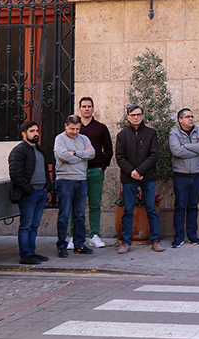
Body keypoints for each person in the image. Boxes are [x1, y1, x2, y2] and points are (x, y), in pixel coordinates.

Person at [115, 105, 162, 254]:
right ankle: (126, 242)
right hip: (129, 178)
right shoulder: (122, 135)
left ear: (143, 115)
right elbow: (120, 157)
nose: (136, 117)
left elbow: (154, 155)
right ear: (128, 116)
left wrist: (140, 171)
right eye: (133, 115)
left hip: (147, 176)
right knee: (128, 210)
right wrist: (132, 172)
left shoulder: (151, 133)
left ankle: (155, 240)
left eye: (139, 114)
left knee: (151, 209)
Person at [8, 121, 53, 265]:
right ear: (24, 133)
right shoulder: (19, 151)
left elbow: (45, 170)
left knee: (34, 225)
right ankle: (25, 255)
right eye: (32, 131)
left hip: (41, 192)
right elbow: (16, 174)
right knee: (26, 225)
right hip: (28, 194)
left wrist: (47, 188)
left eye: (37, 131)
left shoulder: (39, 149)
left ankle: (31, 252)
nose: (36, 134)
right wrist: (30, 190)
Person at [53, 115, 95, 258]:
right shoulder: (60, 139)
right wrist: (83, 156)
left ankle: (79, 244)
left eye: (77, 129)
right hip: (65, 180)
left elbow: (92, 153)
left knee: (80, 215)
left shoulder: (84, 138)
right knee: (64, 215)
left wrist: (76, 153)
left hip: (81, 180)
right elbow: (63, 155)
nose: (75, 132)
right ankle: (62, 245)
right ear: (66, 126)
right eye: (72, 129)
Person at [169, 108, 199, 248]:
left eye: (192, 116)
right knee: (180, 207)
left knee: (193, 206)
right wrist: (196, 149)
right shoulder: (174, 133)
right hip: (181, 176)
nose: (191, 119)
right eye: (187, 117)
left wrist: (185, 146)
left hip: (197, 175)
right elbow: (176, 151)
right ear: (180, 120)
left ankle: (192, 235)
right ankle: (179, 237)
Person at [78, 97, 113, 249]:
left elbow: (109, 149)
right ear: (79, 108)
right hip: (77, 171)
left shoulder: (101, 128)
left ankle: (94, 235)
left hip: (95, 171)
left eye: (89, 106)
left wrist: (102, 167)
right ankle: (74, 236)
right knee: (75, 205)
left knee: (94, 204)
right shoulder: (75, 127)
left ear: (93, 108)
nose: (87, 109)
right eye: (84, 106)